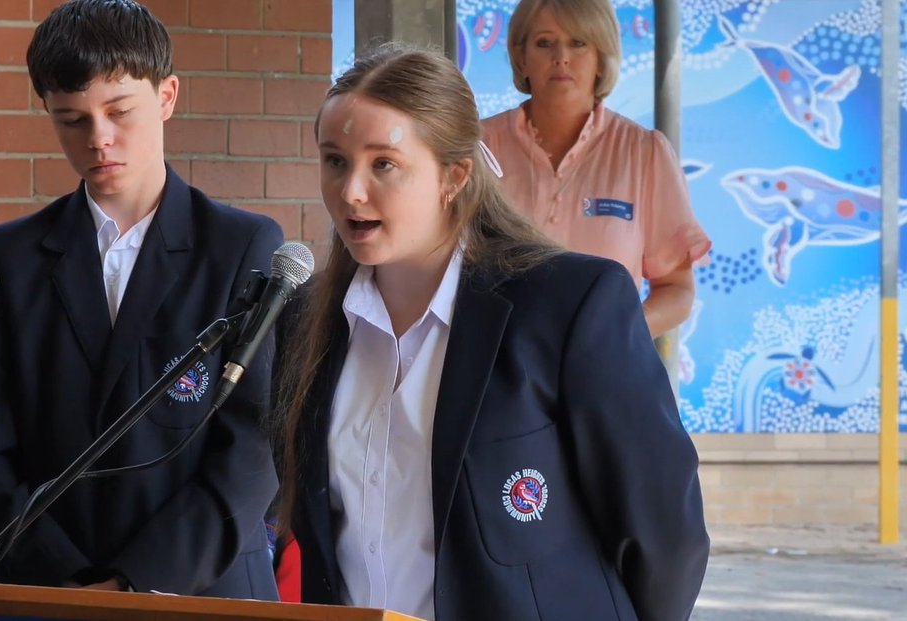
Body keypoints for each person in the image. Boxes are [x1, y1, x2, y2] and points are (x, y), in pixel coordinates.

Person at [274, 44, 709, 621]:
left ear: (454, 176)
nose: (351, 191)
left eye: (384, 164)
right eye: (335, 161)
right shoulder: (306, 320)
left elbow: (663, 532)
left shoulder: (569, 303)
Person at [0, 0, 282, 598]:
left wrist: (136, 582)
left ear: (167, 97)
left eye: (119, 111)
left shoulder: (242, 246)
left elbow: (254, 451)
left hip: (202, 589)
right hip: (51, 592)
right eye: (71, 120)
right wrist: (73, 585)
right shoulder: (10, 258)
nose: (99, 140)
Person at [482, 0, 711, 337]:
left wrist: (613, 338)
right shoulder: (475, 147)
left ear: (601, 59)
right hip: (497, 376)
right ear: (521, 58)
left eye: (578, 42)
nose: (561, 56)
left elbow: (677, 289)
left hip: (602, 379)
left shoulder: (644, 152)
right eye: (545, 42)